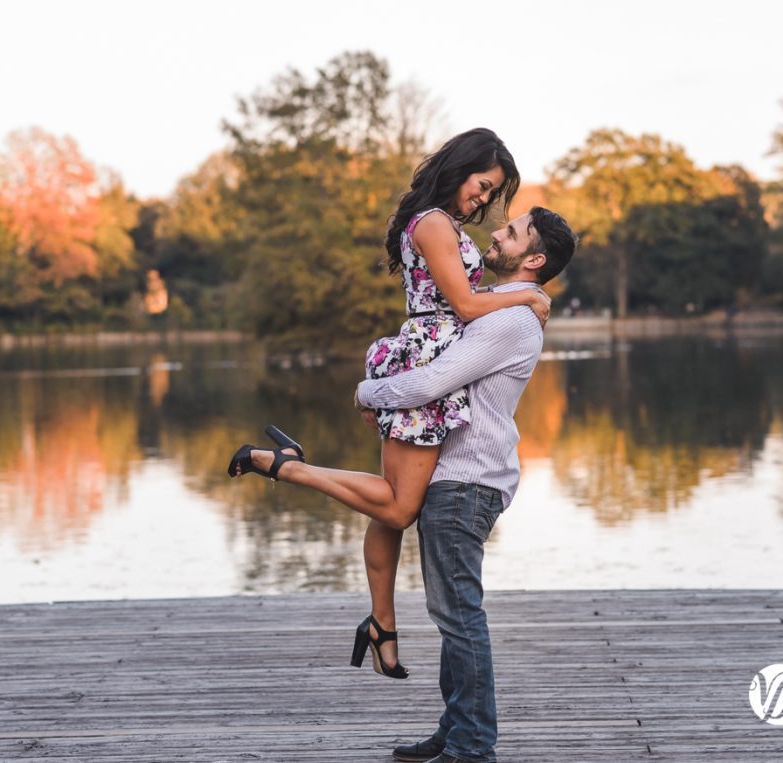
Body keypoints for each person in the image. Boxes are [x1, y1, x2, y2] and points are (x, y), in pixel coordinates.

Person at [240, 206, 576, 763]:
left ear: (534, 259)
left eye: (512, 232)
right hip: (461, 479)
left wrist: (368, 392)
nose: (497, 232)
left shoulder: (509, 321)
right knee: (453, 614)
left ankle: (472, 746)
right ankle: (457, 728)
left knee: (458, 615)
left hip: (467, 483)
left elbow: (435, 380)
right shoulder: (506, 310)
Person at [229, 128, 550, 678]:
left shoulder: (436, 222)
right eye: (481, 185)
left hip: (424, 355)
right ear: (460, 168)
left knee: (390, 511)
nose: (482, 199)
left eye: (490, 192)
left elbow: (469, 305)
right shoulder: (433, 224)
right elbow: (468, 305)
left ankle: (382, 625)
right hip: (426, 361)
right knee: (400, 506)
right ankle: (285, 467)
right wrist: (531, 293)